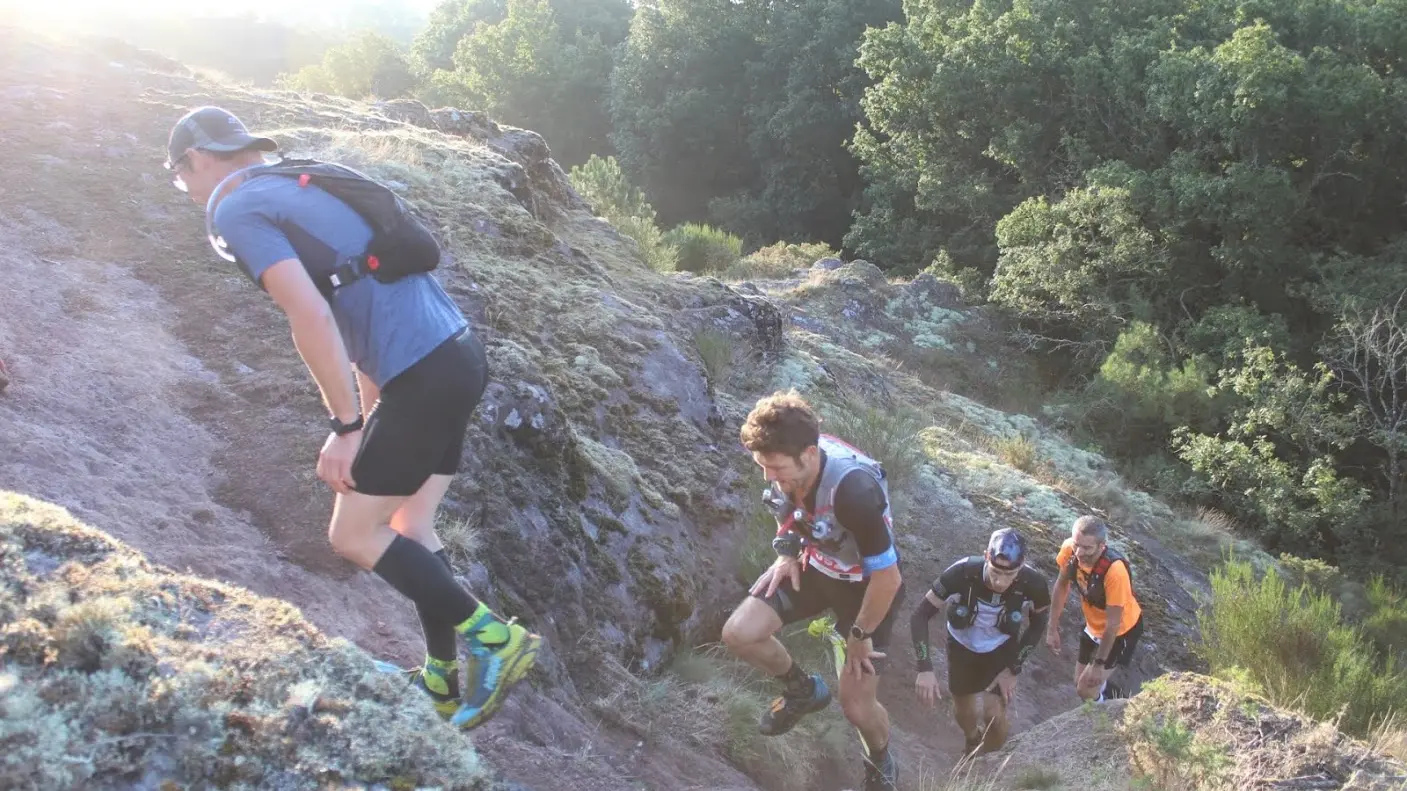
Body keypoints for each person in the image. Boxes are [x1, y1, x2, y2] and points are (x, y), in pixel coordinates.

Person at [163, 105, 540, 729]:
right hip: (455, 357)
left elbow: (310, 315)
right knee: (410, 527)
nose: (186, 189)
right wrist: (367, 418)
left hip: (422, 374)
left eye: (180, 176)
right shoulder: (293, 183)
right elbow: (357, 303)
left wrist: (345, 429)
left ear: (198, 159)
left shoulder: (234, 209)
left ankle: (497, 641)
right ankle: (441, 683)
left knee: (353, 536)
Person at [721, 389, 905, 791]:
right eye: (761, 466)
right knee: (739, 633)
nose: (768, 476)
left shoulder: (853, 490)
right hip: (815, 570)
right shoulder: (788, 469)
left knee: (856, 708)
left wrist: (858, 636)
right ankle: (803, 690)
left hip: (865, 590)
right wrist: (786, 553)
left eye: (775, 467)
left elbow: (889, 579)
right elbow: (784, 510)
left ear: (808, 454)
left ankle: (880, 763)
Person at [910, 528, 1050, 757]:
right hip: (961, 646)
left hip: (1001, 648)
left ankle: (991, 762)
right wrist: (924, 667)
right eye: (995, 572)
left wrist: (1013, 669)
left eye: (1010, 575)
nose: (1000, 581)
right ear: (986, 556)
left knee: (994, 714)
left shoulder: (1033, 583)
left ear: (1022, 566)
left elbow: (1038, 624)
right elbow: (920, 615)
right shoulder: (962, 573)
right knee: (964, 711)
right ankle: (972, 739)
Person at [1045, 515, 1144, 702]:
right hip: (1093, 626)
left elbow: (1113, 625)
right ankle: (1118, 702)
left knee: (1085, 690)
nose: (1080, 553)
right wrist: (1052, 628)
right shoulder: (1069, 550)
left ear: (1102, 545)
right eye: (1077, 545)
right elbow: (1061, 586)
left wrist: (1099, 664)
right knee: (1080, 681)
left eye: (1087, 548)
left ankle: (1111, 717)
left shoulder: (1115, 572)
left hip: (1122, 631)